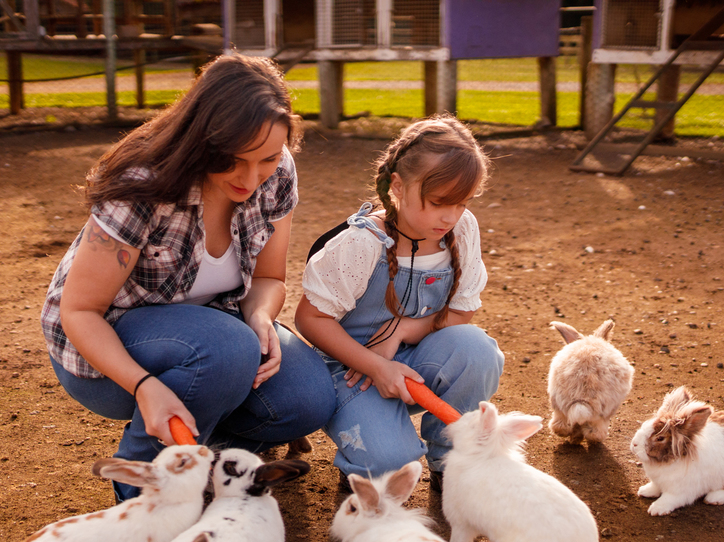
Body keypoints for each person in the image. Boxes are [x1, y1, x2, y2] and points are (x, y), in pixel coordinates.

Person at [42, 54, 335, 501]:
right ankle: (141, 490)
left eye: (267, 159)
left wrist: (260, 316)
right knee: (226, 348)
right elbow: (80, 311)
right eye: (232, 160)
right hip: (108, 352)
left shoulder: (277, 173)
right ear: (203, 140)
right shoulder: (142, 183)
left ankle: (214, 469)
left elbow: (270, 277)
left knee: (307, 397)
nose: (251, 178)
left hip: (215, 339)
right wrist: (145, 387)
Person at [295, 115, 504, 490]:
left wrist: (403, 329)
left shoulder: (462, 228)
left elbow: (462, 313)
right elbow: (310, 318)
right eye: (439, 201)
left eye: (462, 203)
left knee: (478, 350)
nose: (450, 216)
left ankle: (451, 461)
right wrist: (375, 365)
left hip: (413, 362)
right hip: (352, 372)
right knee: (393, 469)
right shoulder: (361, 243)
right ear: (397, 185)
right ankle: (365, 451)